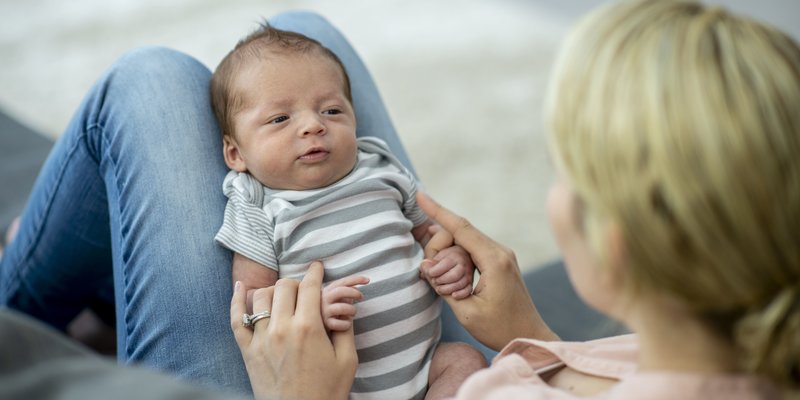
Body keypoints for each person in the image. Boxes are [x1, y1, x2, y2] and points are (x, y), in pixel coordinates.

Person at [229, 0, 800, 399]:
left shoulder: (503, 386)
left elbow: (249, 309)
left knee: (171, 70)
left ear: (613, 246)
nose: (314, 128)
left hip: (325, 374)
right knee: (298, 32)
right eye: (282, 119)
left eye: (563, 171)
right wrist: (537, 338)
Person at [210, 25, 485, 399]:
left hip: (427, 365)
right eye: (279, 119)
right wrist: (310, 312)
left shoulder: (381, 168)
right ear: (235, 154)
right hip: (338, 384)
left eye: (332, 110)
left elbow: (431, 233)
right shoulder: (259, 205)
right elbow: (251, 300)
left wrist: (453, 259)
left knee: (466, 359)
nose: (313, 125)